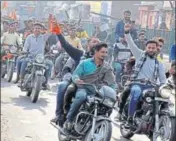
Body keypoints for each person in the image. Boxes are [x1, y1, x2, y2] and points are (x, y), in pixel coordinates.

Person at [115, 24, 166, 123]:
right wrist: (127, 32)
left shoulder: (159, 63)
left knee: (161, 99)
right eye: (149, 47)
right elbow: (131, 44)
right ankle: (129, 117)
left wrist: (164, 87)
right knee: (136, 92)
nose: (151, 50)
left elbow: (163, 79)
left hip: (151, 87)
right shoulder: (139, 54)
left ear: (157, 49)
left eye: (153, 48)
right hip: (137, 83)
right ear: (146, 48)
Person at [64, 43, 116, 130]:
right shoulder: (85, 63)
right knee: (81, 96)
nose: (104, 54)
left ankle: (99, 126)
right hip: (84, 87)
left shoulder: (107, 67)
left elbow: (112, 83)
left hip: (99, 92)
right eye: (102, 52)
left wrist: (114, 93)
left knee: (109, 104)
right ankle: (69, 119)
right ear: (96, 51)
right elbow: (76, 74)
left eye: (106, 52)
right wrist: (77, 80)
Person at [50, 37, 100, 126]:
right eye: (94, 41)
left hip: (91, 85)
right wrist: (69, 77)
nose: (96, 43)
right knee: (62, 85)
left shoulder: (101, 59)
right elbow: (66, 68)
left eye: (98, 42)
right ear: (88, 44)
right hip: (74, 81)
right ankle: (59, 114)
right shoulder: (79, 54)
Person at [14, 23, 53, 89]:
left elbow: (50, 32)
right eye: (36, 28)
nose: (37, 29)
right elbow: (25, 47)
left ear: (41, 30)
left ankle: (46, 82)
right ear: (33, 29)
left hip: (40, 58)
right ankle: (21, 79)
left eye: (39, 28)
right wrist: (24, 51)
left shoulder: (44, 37)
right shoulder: (29, 37)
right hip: (30, 56)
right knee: (25, 62)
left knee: (50, 64)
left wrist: (52, 23)